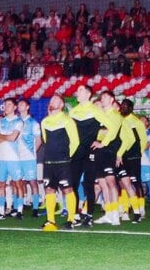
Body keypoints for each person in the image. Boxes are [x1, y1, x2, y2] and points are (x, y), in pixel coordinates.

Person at [40, 93, 79, 231]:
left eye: (56, 99)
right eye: (52, 99)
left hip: (63, 162)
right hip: (49, 161)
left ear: (62, 105)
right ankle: (50, 220)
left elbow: (75, 141)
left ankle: (71, 219)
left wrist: (67, 157)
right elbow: (45, 140)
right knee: (49, 189)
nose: (53, 101)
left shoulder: (68, 120)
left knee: (67, 189)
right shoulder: (44, 121)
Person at [68, 85, 106, 225]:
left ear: (88, 94)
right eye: (77, 90)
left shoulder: (96, 110)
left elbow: (113, 127)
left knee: (89, 184)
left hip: (91, 152)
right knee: (72, 184)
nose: (77, 92)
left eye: (81, 90)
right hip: (76, 152)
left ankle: (89, 215)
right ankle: (75, 215)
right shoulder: (73, 112)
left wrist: (102, 142)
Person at [91, 91, 126, 226]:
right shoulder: (100, 116)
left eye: (105, 97)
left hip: (109, 151)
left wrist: (102, 143)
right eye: (102, 97)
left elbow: (112, 132)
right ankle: (108, 213)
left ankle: (116, 214)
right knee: (102, 184)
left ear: (112, 99)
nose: (103, 99)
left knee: (111, 183)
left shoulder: (115, 115)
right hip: (99, 152)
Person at [117, 98, 147, 223]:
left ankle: (141, 208)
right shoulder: (118, 119)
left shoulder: (136, 122)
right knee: (123, 182)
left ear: (130, 108)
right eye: (121, 106)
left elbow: (143, 139)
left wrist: (138, 153)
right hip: (122, 155)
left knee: (136, 182)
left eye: (125, 106)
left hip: (133, 156)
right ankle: (125, 209)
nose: (122, 108)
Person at [0, 98, 24, 219]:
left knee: (18, 184)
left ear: (14, 107)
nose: (6, 107)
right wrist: (4, 136)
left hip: (14, 158)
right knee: (1, 184)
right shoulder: (0, 121)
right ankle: (1, 210)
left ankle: (19, 210)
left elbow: (13, 138)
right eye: (5, 105)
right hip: (0, 157)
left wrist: (1, 136)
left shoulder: (18, 121)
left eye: (9, 105)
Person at [15, 99, 42, 217]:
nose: (19, 106)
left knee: (32, 182)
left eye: (22, 104)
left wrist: (32, 153)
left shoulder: (33, 123)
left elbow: (39, 140)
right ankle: (18, 208)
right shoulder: (15, 122)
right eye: (19, 104)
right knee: (18, 182)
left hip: (29, 158)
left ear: (27, 107)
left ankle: (35, 208)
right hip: (16, 158)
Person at [140, 115, 150, 207]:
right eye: (140, 120)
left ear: (147, 123)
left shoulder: (149, 134)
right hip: (135, 161)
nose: (141, 121)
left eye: (143, 120)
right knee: (135, 182)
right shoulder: (135, 133)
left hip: (145, 162)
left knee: (149, 181)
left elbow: (146, 146)